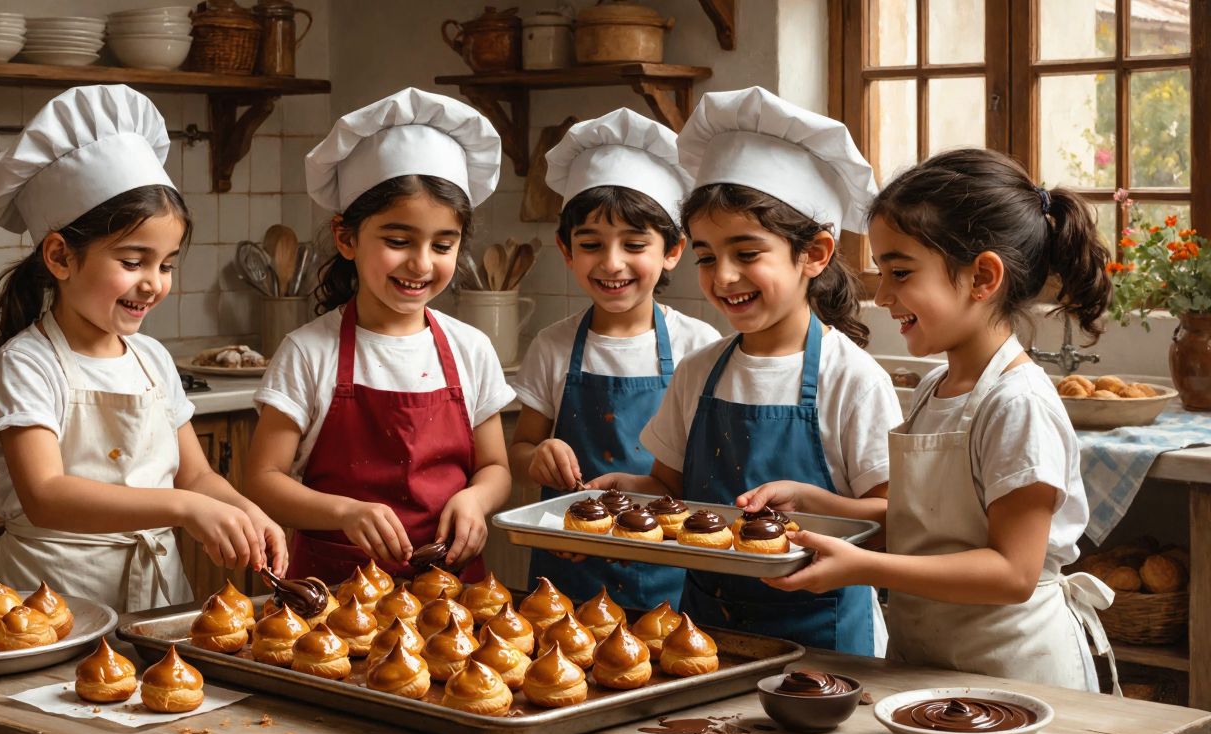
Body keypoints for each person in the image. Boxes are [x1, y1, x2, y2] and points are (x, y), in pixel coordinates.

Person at [760, 148, 1119, 691]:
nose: (881, 297)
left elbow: (1012, 573)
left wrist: (863, 568)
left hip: (1019, 676)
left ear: (982, 278)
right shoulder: (935, 388)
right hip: (930, 667)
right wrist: (819, 506)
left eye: (900, 272)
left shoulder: (1016, 403)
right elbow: (926, 533)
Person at [595, 88, 900, 655]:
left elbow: (889, 520)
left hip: (824, 634)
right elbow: (669, 489)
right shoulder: (697, 371)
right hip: (704, 630)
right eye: (707, 256)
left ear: (815, 253)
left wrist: (812, 500)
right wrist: (623, 494)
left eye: (747, 252)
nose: (724, 276)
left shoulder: (853, 379)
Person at [0, 85, 285, 611]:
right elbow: (45, 495)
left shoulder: (153, 360)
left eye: (165, 265)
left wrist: (243, 511)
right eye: (133, 261)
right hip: (47, 604)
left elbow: (197, 474)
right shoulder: (27, 363)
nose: (154, 283)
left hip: (156, 597)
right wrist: (184, 509)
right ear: (60, 257)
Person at [243, 88, 517, 585]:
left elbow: (495, 465)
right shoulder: (308, 352)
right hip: (333, 599)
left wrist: (478, 498)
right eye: (398, 241)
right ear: (346, 237)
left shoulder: (470, 348)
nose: (421, 263)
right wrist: (345, 513)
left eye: (443, 244)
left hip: (453, 596)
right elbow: (262, 481)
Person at [509, 108, 720, 609]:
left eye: (635, 244)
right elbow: (520, 449)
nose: (611, 263)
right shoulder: (553, 345)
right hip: (567, 570)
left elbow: (711, 467)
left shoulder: (699, 345)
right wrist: (537, 459)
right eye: (591, 244)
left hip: (671, 568)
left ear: (672, 250)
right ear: (566, 249)